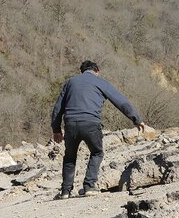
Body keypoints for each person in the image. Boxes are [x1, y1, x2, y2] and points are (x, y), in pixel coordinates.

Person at [51, 61, 145, 199]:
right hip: (90, 123)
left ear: (81, 71)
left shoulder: (70, 82)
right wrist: (136, 119)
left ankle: (65, 191)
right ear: (97, 71)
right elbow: (120, 101)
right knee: (97, 152)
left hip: (70, 124)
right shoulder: (101, 82)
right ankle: (89, 186)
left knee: (70, 157)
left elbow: (57, 108)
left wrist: (56, 130)